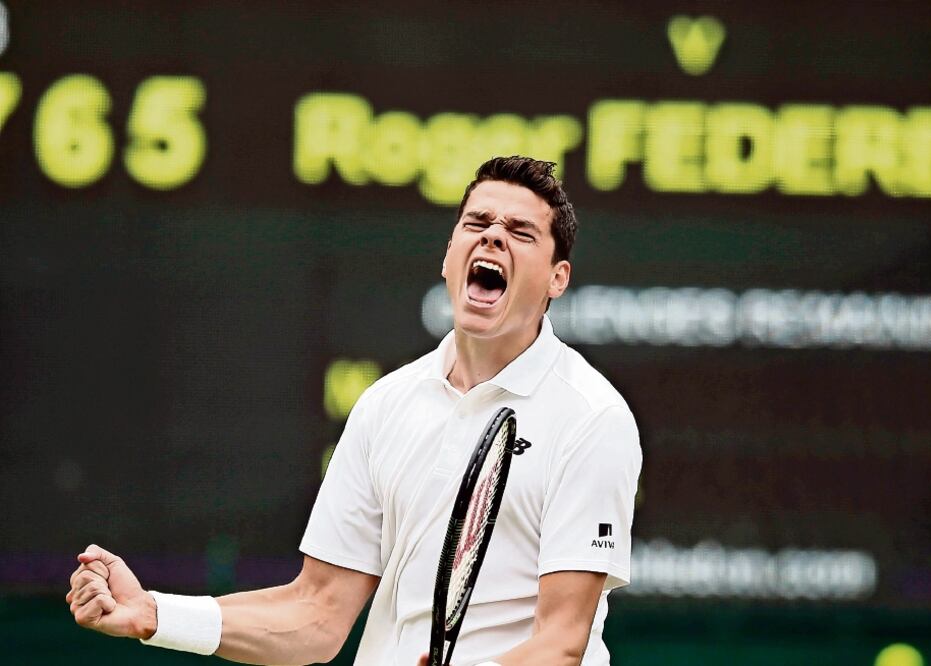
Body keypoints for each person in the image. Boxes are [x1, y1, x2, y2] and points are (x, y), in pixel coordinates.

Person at [66, 156, 642, 666]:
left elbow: (562, 643)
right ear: (448, 258)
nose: (493, 237)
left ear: (557, 279)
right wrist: (155, 615)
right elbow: (316, 613)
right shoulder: (385, 405)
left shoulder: (592, 418)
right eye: (477, 223)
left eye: (521, 232)